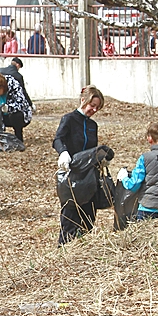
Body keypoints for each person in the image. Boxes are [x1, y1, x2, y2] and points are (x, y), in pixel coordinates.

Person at [53, 85, 104, 245]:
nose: (94, 110)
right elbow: (58, 139)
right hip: (71, 172)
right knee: (70, 214)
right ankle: (65, 247)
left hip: (89, 174)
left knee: (88, 214)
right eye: (92, 105)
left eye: (97, 107)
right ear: (83, 100)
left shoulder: (92, 125)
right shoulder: (69, 119)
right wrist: (63, 152)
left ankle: (83, 244)